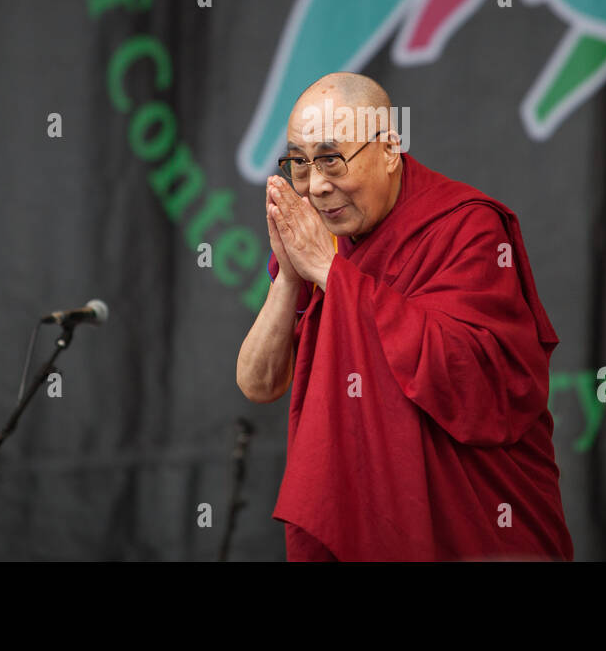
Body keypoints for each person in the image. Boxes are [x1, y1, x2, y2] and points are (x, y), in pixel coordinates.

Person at [236, 72, 574, 561]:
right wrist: (292, 276)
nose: (317, 186)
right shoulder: (319, 244)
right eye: (299, 165)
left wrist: (332, 273)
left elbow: (473, 381)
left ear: (390, 148)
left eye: (331, 159)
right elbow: (258, 383)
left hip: (479, 534)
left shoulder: (468, 227)